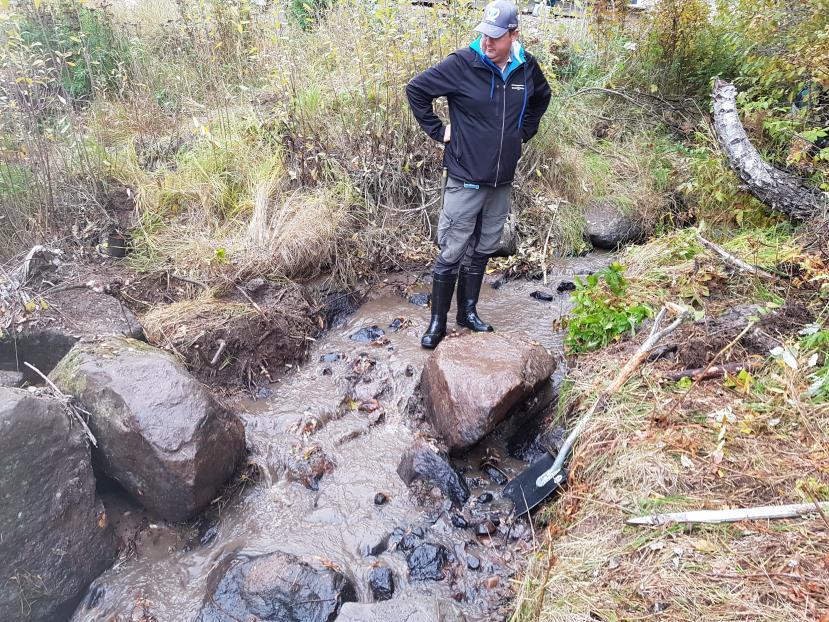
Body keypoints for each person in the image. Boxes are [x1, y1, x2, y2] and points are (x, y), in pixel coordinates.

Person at [406, 0, 551, 349]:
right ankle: (437, 323)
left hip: (501, 179)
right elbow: (416, 90)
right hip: (465, 175)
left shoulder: (525, 66)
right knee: (452, 249)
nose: (488, 42)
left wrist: (523, 133)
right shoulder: (462, 63)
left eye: (496, 36)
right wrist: (439, 131)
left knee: (485, 246)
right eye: (484, 34)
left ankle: (467, 313)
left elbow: (542, 98)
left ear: (513, 34)